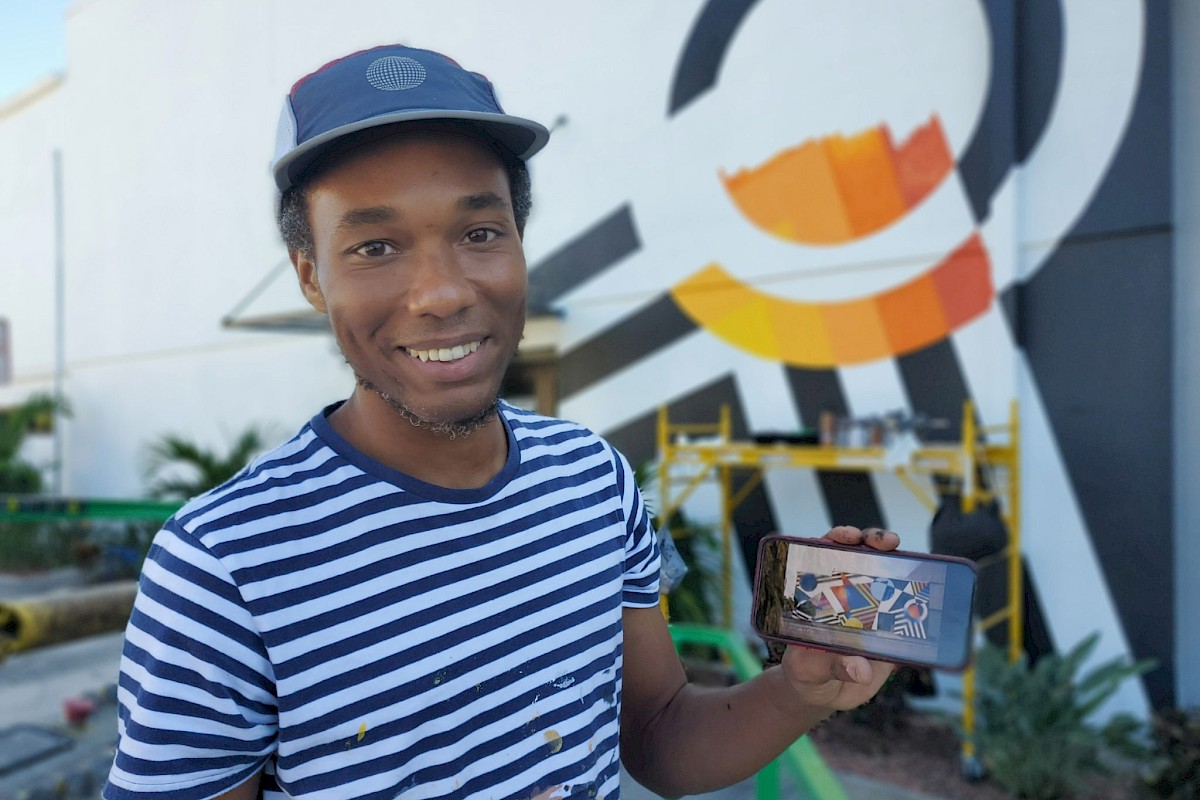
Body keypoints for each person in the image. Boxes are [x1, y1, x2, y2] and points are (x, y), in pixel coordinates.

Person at [104, 44, 898, 800]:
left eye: (480, 233)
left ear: (520, 243)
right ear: (311, 277)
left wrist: (799, 690)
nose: (442, 292)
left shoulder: (591, 479)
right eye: (375, 246)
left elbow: (656, 735)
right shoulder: (223, 567)